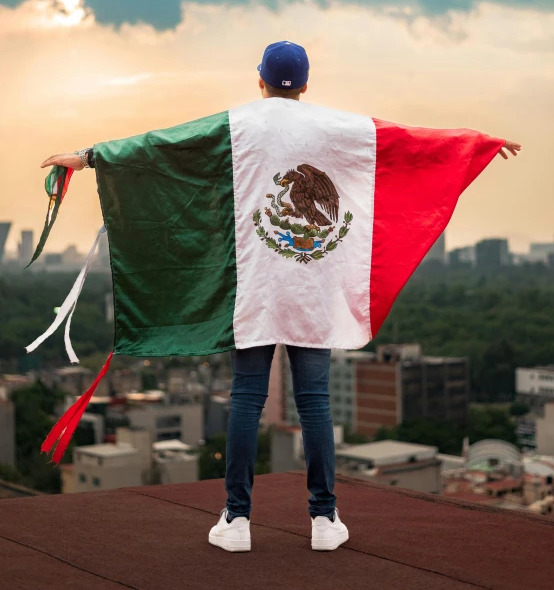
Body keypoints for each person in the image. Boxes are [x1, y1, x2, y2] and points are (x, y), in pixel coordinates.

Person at [40, 41, 521, 553]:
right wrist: (476, 143)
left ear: (260, 80)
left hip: (255, 291)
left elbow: (164, 146)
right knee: (314, 402)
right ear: (306, 85)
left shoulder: (239, 124)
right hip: (314, 290)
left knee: (248, 399)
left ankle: (237, 520)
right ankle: (324, 519)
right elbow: (412, 143)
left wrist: (91, 157)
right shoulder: (341, 128)